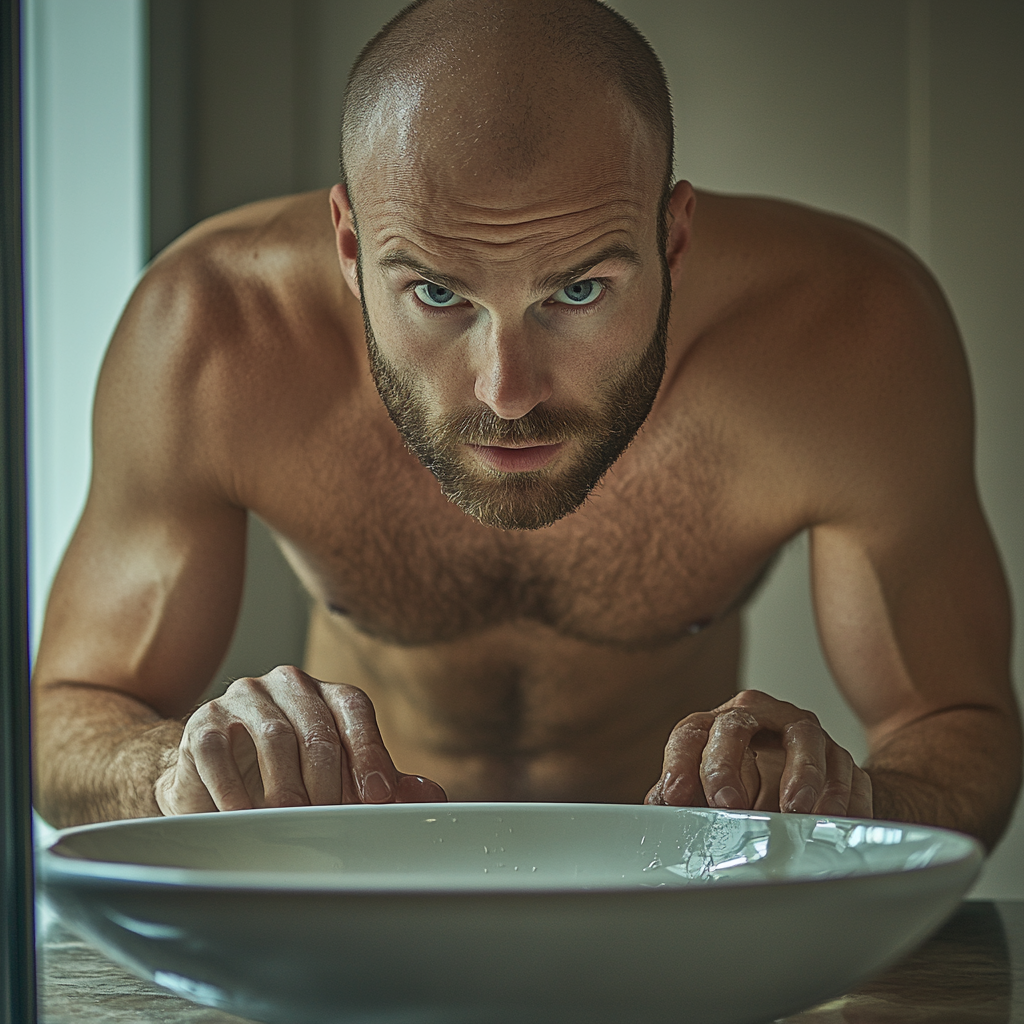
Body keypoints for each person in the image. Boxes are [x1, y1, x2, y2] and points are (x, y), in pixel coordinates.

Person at [32, 0, 1020, 850]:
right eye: (435, 292)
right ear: (350, 242)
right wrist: (174, 769)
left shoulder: (844, 335)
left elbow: (956, 719)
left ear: (672, 237)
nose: (506, 391)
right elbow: (59, 713)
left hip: (673, 921)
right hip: (355, 910)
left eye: (579, 289)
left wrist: (850, 806)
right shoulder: (214, 331)